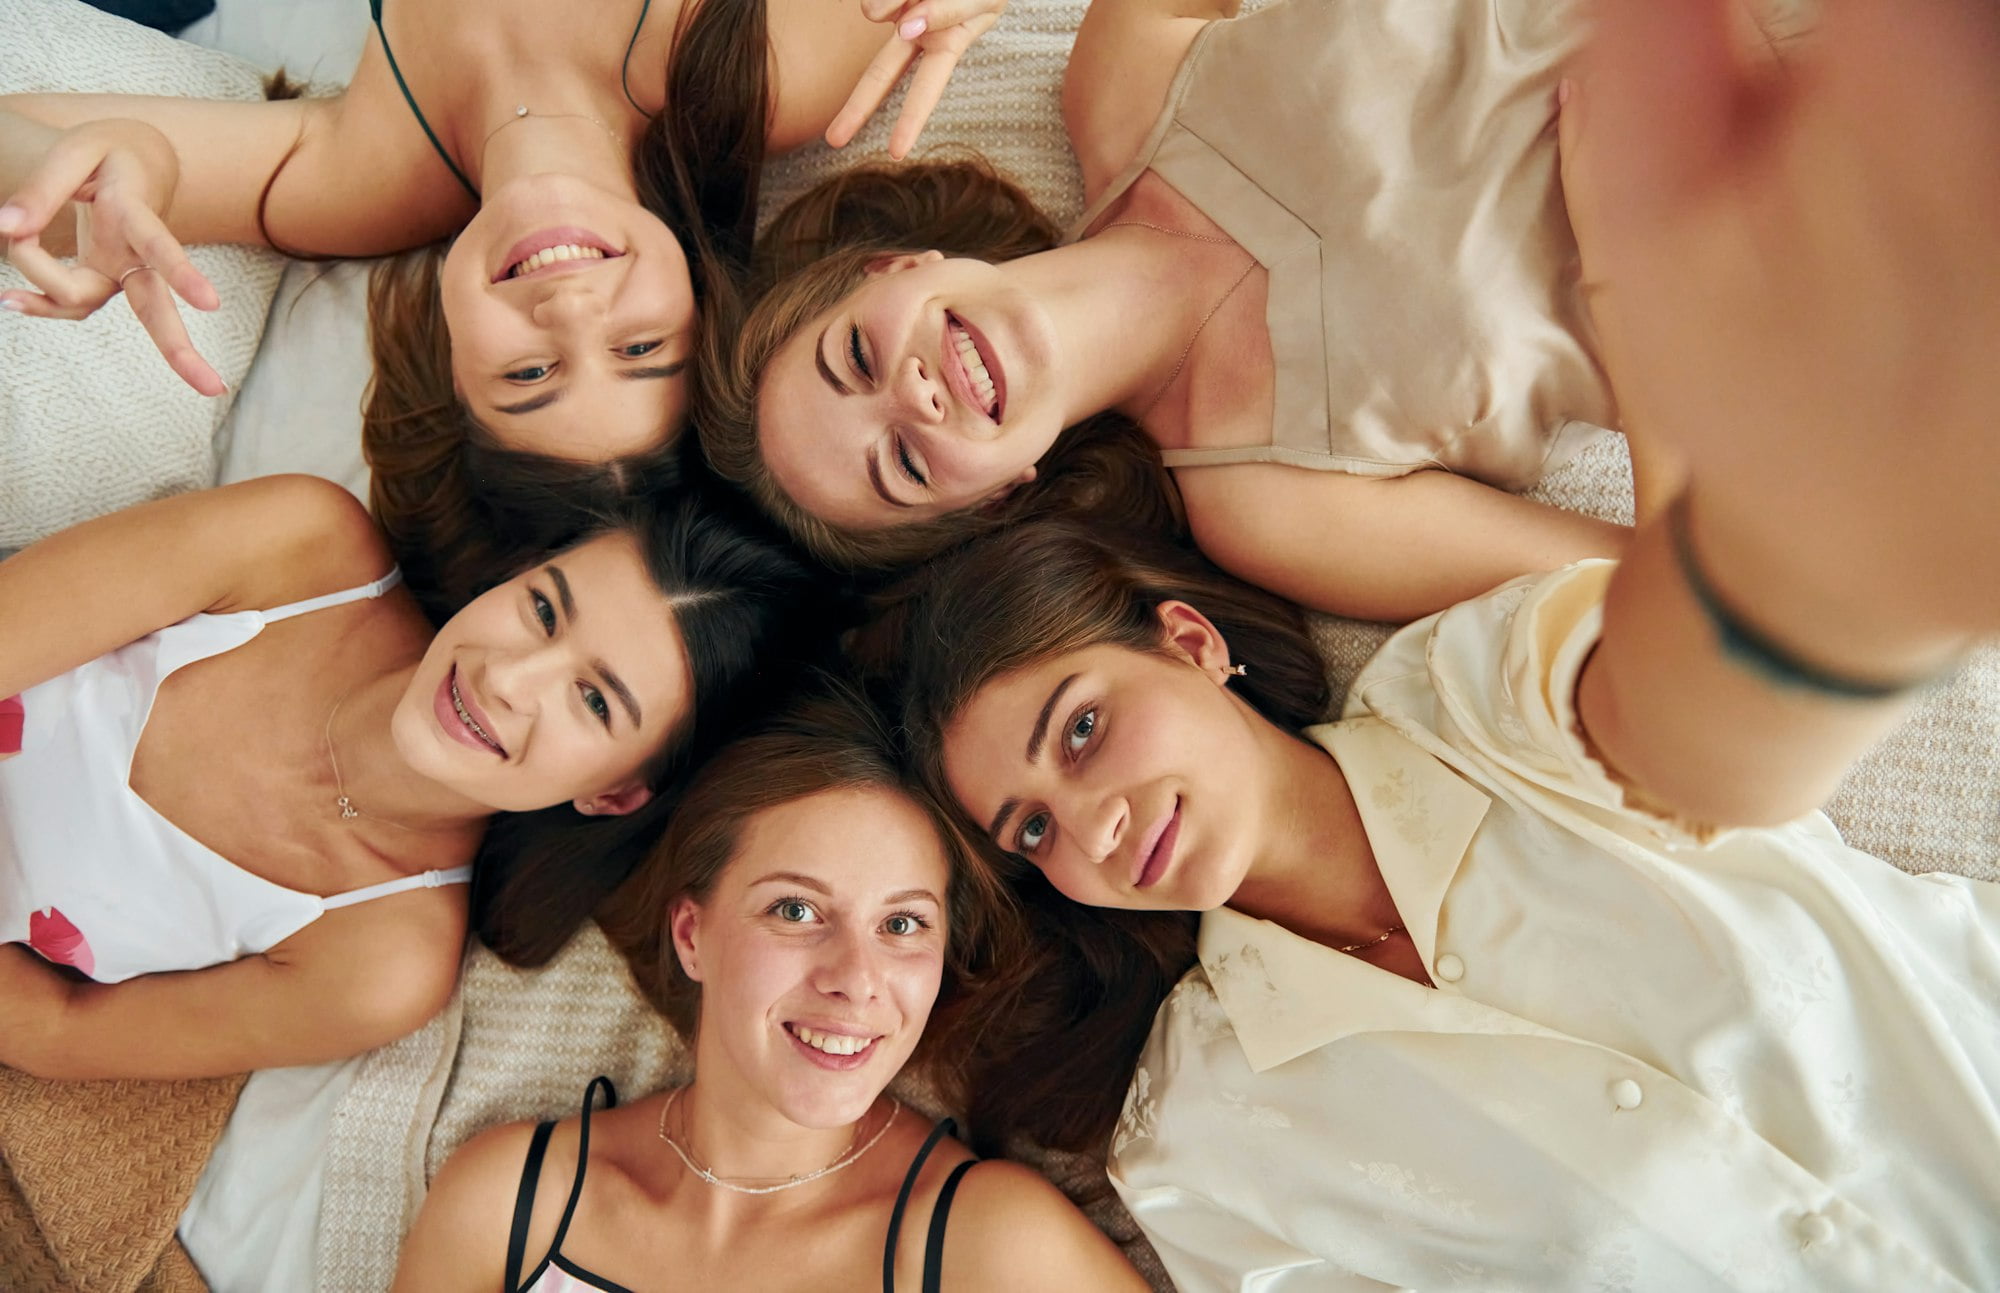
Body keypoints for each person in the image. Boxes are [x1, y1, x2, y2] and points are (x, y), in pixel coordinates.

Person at [863, 1, 2000, 1279]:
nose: (1089, 831)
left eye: (1078, 733)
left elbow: (1709, 621)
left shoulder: (1480, 690)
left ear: (1188, 641)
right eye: (1029, 836)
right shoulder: (1199, 1135)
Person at [697, 0, 1728, 620]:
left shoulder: (1116, 80)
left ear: (890, 266)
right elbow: (1678, 601)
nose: (912, 400)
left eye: (854, 359)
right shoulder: (1271, 507)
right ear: (996, 498)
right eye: (905, 465)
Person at [0, 0, 1006, 601]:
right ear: (703, 299)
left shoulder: (353, 184)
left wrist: (100, 164)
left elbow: (26, 152)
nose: (571, 311)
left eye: (526, 375)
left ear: (447, 362)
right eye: (639, 347)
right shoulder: (774, 70)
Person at [0, 474, 807, 1080]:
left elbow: (56, 1032)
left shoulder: (379, 961)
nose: (509, 678)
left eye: (593, 699)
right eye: (545, 610)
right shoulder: (299, 550)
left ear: (614, 794)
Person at [393, 681, 1150, 1292]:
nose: (856, 979)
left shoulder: (984, 1242)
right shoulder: (513, 1203)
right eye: (796, 909)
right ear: (693, 935)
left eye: (904, 924)